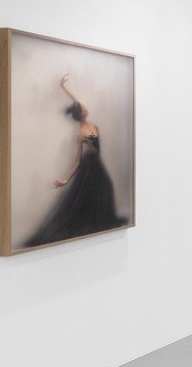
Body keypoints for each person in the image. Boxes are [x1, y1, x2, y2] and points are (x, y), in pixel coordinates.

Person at [25, 72, 127, 248]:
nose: (86, 107)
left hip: (97, 166)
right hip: (88, 168)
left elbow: (76, 102)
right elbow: (77, 161)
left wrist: (63, 87)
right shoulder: (81, 133)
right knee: (89, 197)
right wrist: (66, 180)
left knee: (105, 190)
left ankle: (101, 225)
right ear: (81, 113)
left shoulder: (92, 124)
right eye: (83, 107)